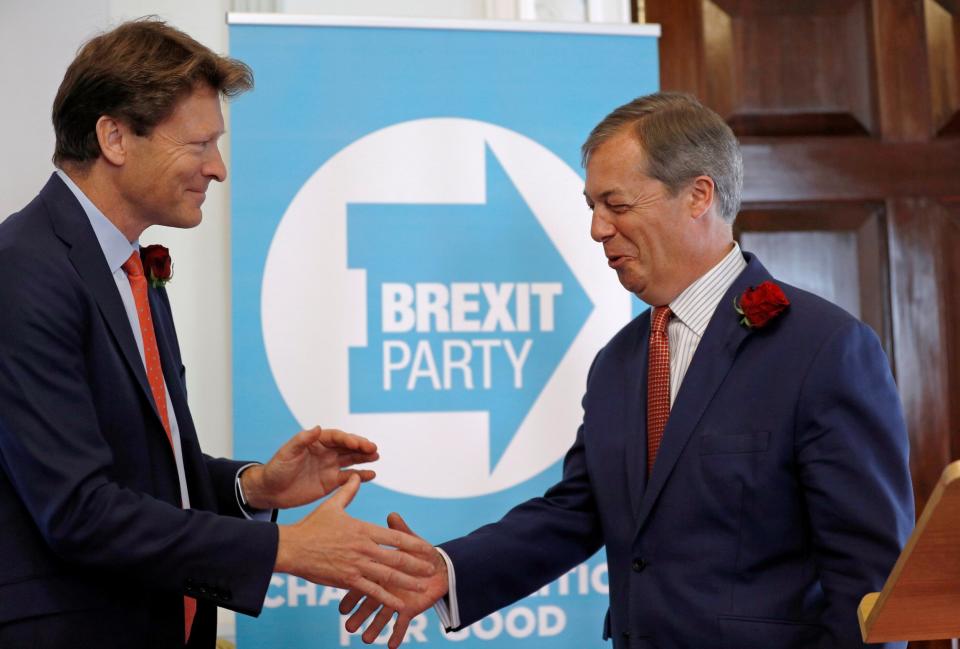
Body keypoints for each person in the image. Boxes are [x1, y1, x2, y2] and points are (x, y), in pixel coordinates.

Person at [339, 92, 916, 649]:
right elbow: (579, 510)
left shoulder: (824, 349)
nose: (596, 229)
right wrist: (447, 569)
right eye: (591, 207)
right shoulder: (617, 363)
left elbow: (871, 584)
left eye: (615, 205)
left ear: (697, 196)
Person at [0, 18, 434, 649]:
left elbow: (145, 474)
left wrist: (255, 488)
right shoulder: (23, 269)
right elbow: (79, 510)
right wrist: (283, 547)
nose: (219, 169)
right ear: (115, 137)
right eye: (200, 144)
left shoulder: (131, 266)